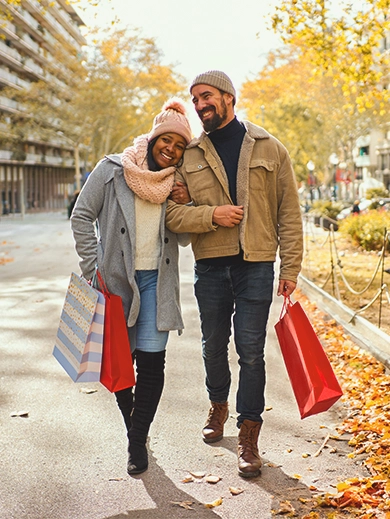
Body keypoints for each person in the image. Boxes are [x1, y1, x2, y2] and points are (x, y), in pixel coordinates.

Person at [166, 71, 303, 478]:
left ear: (228, 97)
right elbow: (173, 216)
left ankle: (248, 434)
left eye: (205, 96)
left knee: (251, 352)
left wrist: (290, 267)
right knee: (212, 346)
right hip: (209, 266)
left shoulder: (270, 147)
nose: (199, 104)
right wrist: (212, 215)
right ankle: (218, 405)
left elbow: (289, 213)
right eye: (194, 99)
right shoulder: (188, 155)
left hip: (256, 266)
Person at [70, 98, 192, 476]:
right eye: (165, 140)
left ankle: (137, 441)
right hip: (116, 283)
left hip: (157, 280)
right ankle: (134, 432)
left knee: (153, 363)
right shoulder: (112, 170)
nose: (170, 149)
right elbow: (82, 215)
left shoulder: (177, 183)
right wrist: (94, 268)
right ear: (154, 137)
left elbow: (184, 239)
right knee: (124, 365)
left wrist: (186, 203)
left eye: (179, 145)